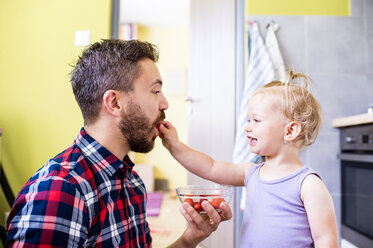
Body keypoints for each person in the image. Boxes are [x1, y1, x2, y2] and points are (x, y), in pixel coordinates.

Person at [6, 39, 232, 247]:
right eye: (155, 91)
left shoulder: (132, 182)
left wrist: (188, 240)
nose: (164, 104)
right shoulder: (61, 190)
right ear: (114, 103)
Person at [159, 71, 339, 248]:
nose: (247, 127)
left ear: (290, 131)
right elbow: (210, 167)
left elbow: (326, 240)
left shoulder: (308, 184)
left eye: (256, 120)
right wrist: (175, 145)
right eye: (248, 120)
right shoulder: (250, 172)